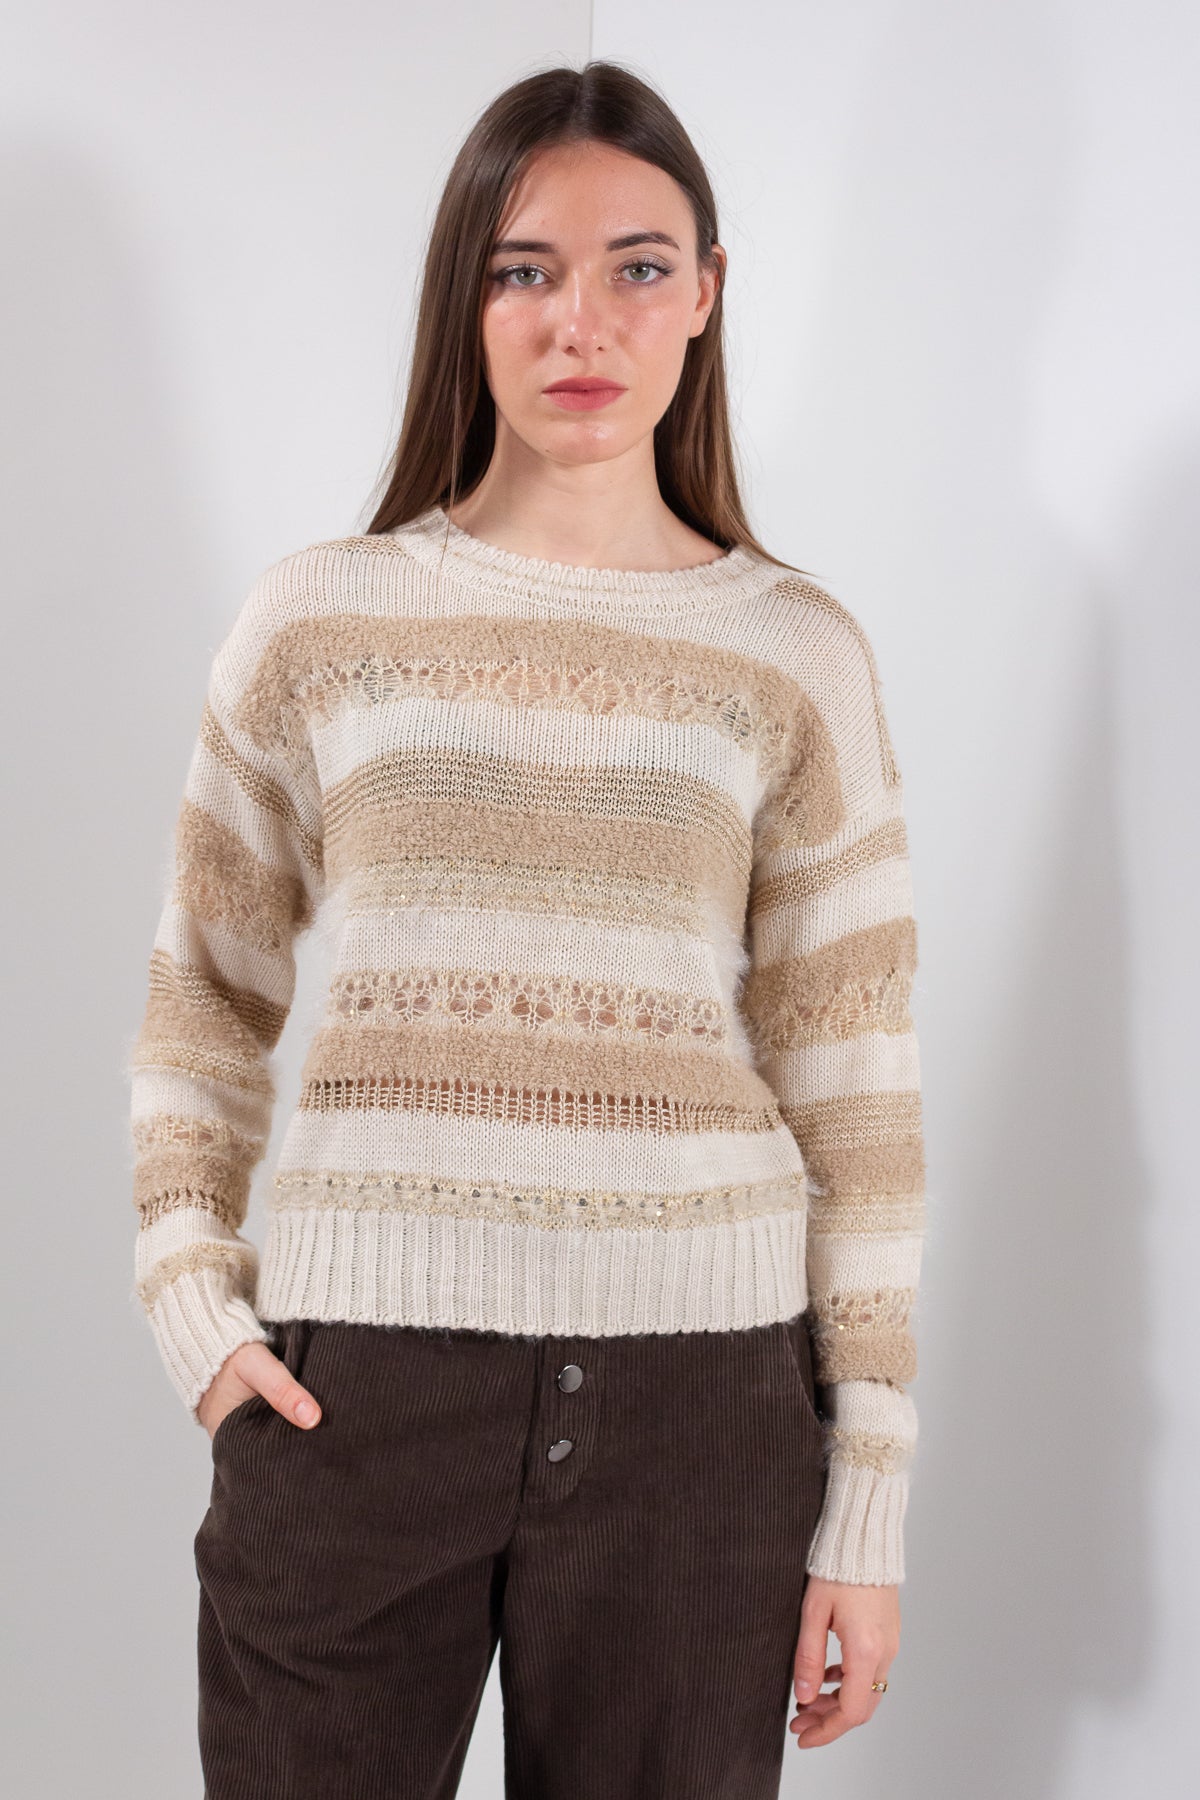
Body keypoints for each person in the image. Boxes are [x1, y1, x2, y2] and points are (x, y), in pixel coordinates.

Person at [127, 58, 926, 1800]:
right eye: (525, 270)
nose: (584, 321)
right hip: (355, 1399)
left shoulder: (795, 652)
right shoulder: (319, 622)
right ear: (465, 299)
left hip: (703, 1414)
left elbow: (858, 1095)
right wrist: (196, 1301)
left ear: (706, 293)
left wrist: (865, 1496)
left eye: (639, 267)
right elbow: (203, 1003)